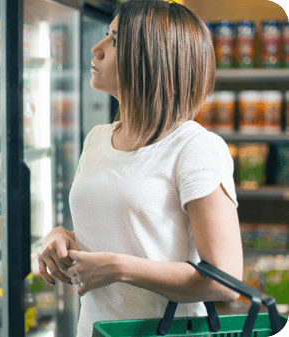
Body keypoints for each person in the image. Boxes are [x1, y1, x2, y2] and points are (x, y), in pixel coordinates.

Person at [38, 0, 243, 336]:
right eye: (106, 35)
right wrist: (62, 238)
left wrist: (119, 268)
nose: (97, 48)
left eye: (115, 41)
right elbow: (125, 233)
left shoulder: (195, 148)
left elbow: (226, 279)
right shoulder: (97, 139)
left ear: (152, 59)